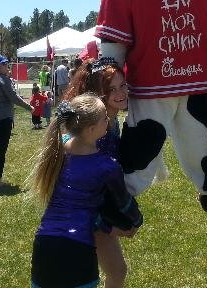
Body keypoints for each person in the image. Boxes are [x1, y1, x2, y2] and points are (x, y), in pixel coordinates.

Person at [30, 94, 143, 288]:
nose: (108, 120)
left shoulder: (57, 148)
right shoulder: (107, 166)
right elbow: (125, 204)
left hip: (44, 244)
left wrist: (109, 228)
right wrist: (136, 222)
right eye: (104, 118)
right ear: (91, 129)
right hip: (77, 249)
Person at [64, 58, 137, 288]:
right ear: (98, 94)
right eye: (111, 89)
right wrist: (109, 225)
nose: (120, 93)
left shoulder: (111, 121)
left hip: (99, 210)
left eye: (123, 85)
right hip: (84, 215)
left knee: (117, 271)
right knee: (91, 277)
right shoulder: (95, 131)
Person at [0, 54, 34, 188]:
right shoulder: (2, 79)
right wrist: (29, 107)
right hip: (1, 118)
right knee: (1, 150)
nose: (7, 66)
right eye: (4, 64)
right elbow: (14, 97)